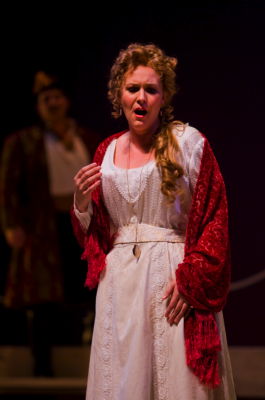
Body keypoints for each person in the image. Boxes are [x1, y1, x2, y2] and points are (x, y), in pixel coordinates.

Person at [71, 43, 236, 399]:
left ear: (164, 96)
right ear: (119, 94)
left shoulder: (187, 143)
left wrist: (193, 279)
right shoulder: (106, 152)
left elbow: (214, 218)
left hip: (171, 283)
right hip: (119, 288)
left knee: (174, 381)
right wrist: (82, 203)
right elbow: (97, 239)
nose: (141, 97)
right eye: (133, 88)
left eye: (151, 89)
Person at [0, 70, 99, 376]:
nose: (52, 103)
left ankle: (92, 363)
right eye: (46, 99)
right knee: (43, 299)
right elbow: (8, 186)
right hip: (44, 228)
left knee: (89, 290)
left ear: (66, 101)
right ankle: (42, 367)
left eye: (56, 97)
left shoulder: (87, 138)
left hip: (82, 225)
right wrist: (11, 225)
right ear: (38, 106)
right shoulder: (24, 142)